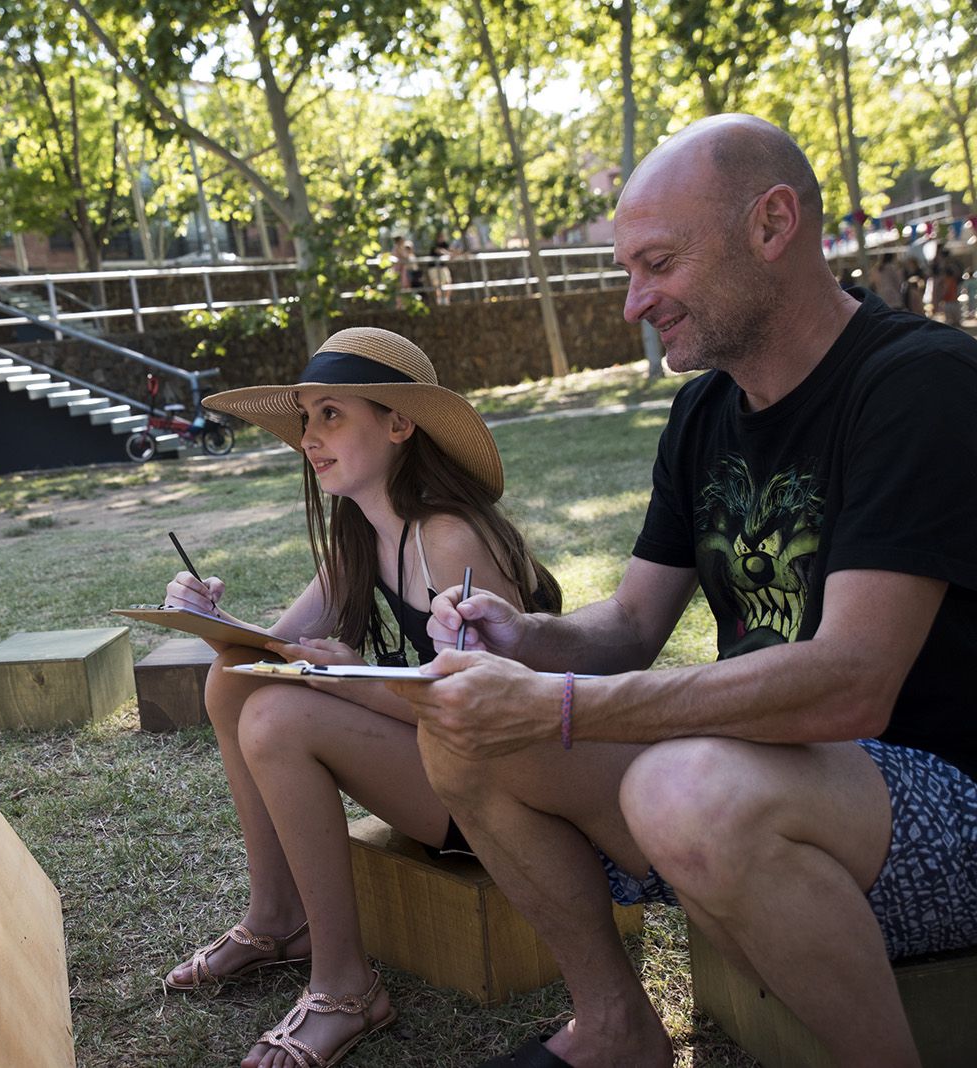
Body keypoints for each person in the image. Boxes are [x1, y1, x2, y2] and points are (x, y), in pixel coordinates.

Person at [399, 114, 977, 1068]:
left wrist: (565, 703)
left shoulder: (921, 385)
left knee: (684, 785)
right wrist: (526, 641)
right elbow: (629, 623)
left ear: (772, 224)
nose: (635, 303)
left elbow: (851, 682)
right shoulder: (704, 411)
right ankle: (615, 1029)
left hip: (945, 809)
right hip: (761, 785)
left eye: (658, 264)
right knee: (465, 734)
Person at [159, 327, 560, 1068]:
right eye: (305, 418)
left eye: (331, 414)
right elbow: (263, 656)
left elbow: (496, 720)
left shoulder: (448, 539)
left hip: (513, 796)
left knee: (281, 716)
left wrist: (349, 673)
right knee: (235, 680)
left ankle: (346, 988)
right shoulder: (363, 533)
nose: (310, 437)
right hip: (445, 769)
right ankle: (278, 918)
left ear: (400, 423)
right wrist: (209, 620)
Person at [392, 236, 415, 308]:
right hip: (398, 270)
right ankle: (400, 304)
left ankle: (405, 303)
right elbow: (405, 256)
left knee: (405, 286)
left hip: (403, 270)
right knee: (400, 286)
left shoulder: (399, 248)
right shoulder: (397, 248)